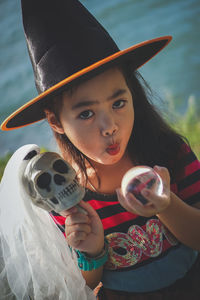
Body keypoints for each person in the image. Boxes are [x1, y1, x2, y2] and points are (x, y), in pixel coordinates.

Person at [1, 0, 200, 299]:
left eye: (118, 103)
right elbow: (88, 282)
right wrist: (91, 251)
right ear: (56, 121)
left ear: (133, 96)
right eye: (86, 114)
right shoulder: (65, 192)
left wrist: (166, 205)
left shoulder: (170, 154)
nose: (110, 126)